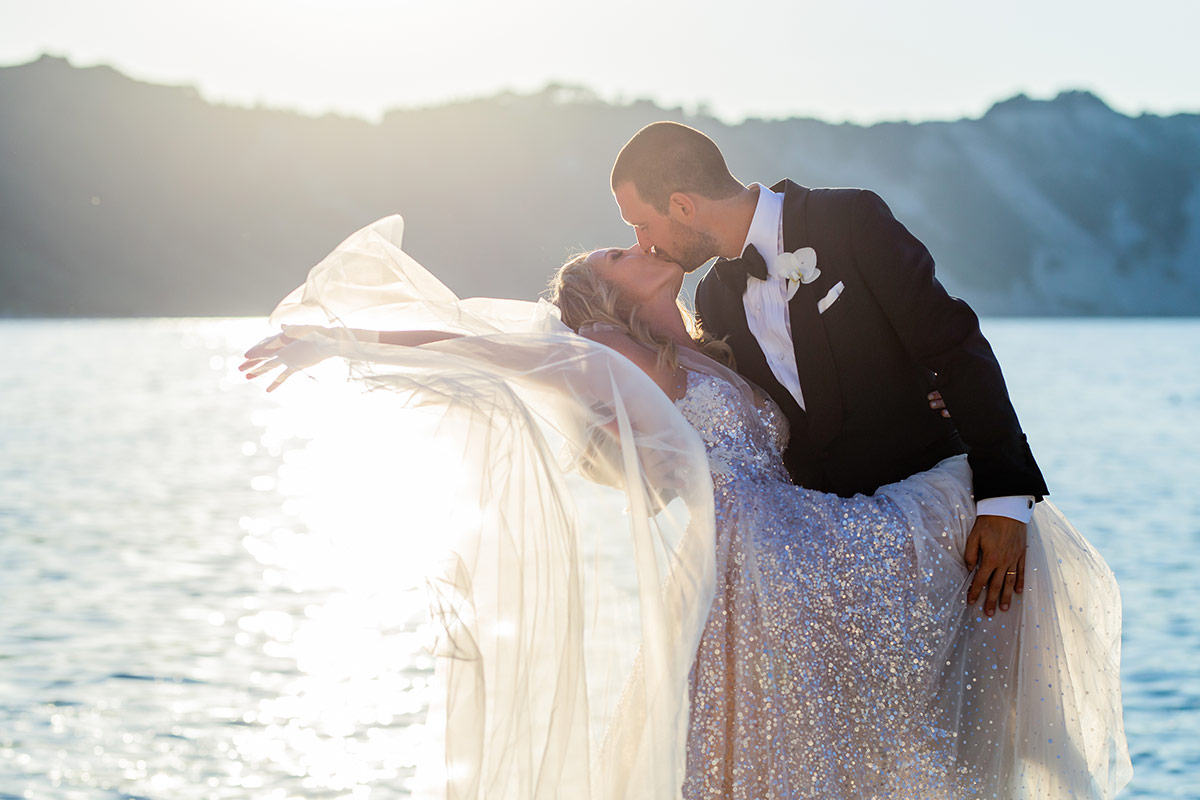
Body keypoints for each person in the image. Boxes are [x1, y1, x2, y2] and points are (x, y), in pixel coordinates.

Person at [243, 217, 1129, 799]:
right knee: (976, 503)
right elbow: (485, 345)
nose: (638, 244)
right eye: (618, 253)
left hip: (778, 548)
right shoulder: (599, 350)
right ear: (606, 294)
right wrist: (339, 338)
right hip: (757, 548)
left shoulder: (710, 344)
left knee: (829, 723)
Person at [611, 121, 1047, 619]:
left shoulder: (850, 219)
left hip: (952, 532)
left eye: (642, 223)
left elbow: (954, 344)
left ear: (683, 205)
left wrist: (1006, 499)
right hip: (840, 566)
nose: (641, 241)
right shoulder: (715, 296)